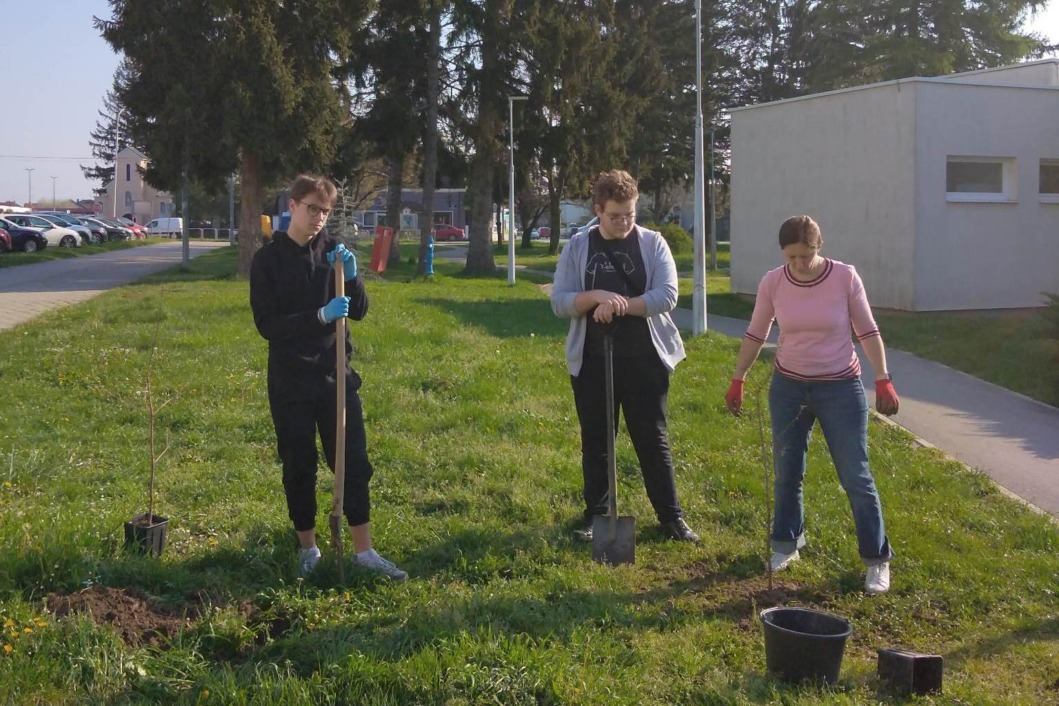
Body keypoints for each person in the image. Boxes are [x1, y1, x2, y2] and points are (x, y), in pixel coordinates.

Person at [724, 215, 900, 594]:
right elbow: (757, 332)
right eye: (792, 257)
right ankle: (787, 544)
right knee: (787, 469)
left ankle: (877, 559)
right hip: (788, 387)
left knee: (856, 474)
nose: (800, 265)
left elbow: (867, 330)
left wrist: (882, 377)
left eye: (806, 255)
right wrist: (738, 379)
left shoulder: (844, 277)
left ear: (819, 248)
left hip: (840, 387)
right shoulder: (773, 281)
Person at [250, 174, 407, 581]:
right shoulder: (268, 260)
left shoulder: (333, 254)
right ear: (292, 205)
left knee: (353, 463)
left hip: (335, 376)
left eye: (325, 210)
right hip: (290, 382)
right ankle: (308, 547)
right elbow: (267, 324)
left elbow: (359, 311)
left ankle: (364, 551)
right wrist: (317, 317)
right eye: (312, 208)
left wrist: (352, 278)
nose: (319, 217)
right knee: (299, 465)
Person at [551, 170, 699, 543]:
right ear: (598, 209)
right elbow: (561, 301)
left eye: (630, 214)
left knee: (652, 437)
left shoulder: (653, 244)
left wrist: (620, 306)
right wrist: (596, 298)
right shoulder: (577, 247)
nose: (624, 222)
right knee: (597, 440)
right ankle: (596, 516)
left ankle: (671, 517)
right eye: (616, 215)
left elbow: (667, 295)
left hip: (645, 358)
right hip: (592, 358)